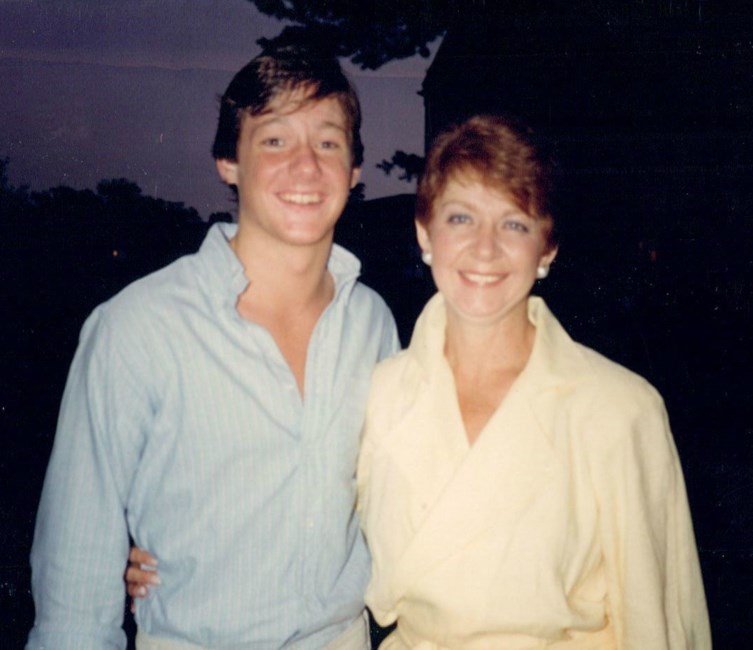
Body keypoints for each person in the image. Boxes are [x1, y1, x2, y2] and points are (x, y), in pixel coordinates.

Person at [26, 45, 399, 650]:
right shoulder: (137, 327)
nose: (306, 166)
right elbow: (75, 573)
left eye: (328, 142)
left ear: (354, 170)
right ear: (229, 162)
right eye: (274, 140)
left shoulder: (373, 324)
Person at [356, 115, 711, 648]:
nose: (485, 248)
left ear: (547, 249)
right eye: (460, 218)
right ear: (424, 232)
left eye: (515, 224)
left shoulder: (619, 409)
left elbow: (657, 618)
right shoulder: (379, 394)